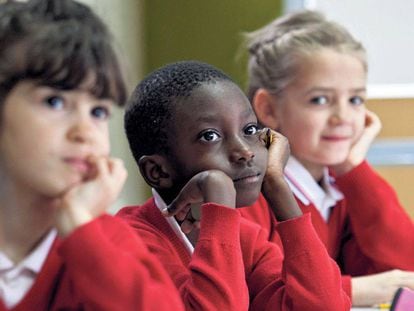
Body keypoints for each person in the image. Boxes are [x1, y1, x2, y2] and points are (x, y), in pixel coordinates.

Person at [117, 60, 351, 310]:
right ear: (158, 171)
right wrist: (218, 206)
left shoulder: (245, 238)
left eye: (250, 129)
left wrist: (278, 187)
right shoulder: (129, 243)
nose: (245, 152)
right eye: (210, 136)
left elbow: (326, 306)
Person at [0, 0, 184, 310]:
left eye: (98, 111)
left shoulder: (107, 242)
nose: (84, 132)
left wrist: (81, 231)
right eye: (55, 102)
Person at [239, 9, 414, 307]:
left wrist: (353, 170)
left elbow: (403, 268)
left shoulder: (339, 187)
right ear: (268, 109)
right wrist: (358, 290)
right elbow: (266, 295)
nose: (343, 117)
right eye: (320, 100)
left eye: (355, 99)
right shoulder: (248, 193)